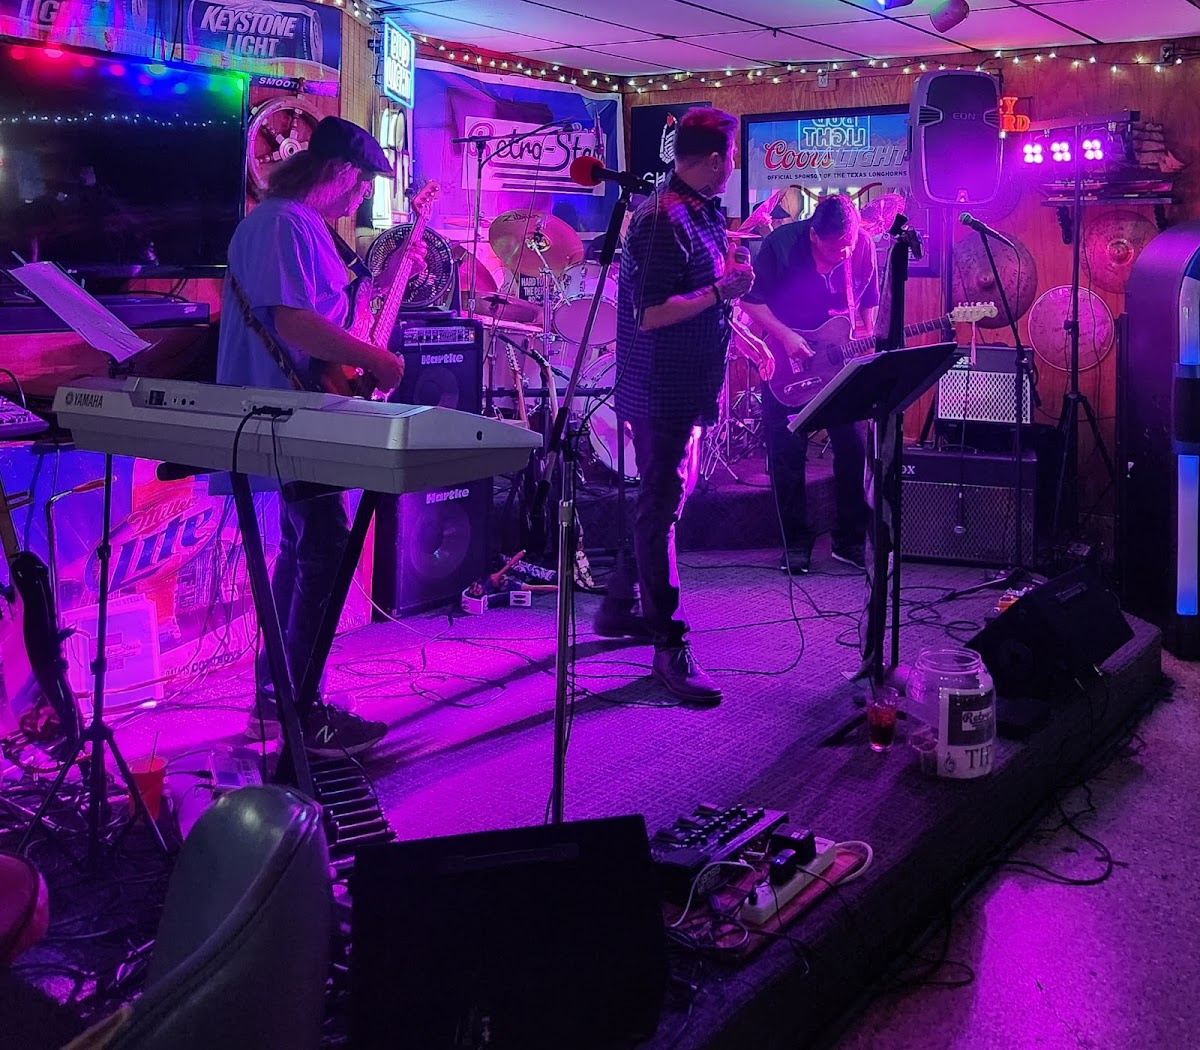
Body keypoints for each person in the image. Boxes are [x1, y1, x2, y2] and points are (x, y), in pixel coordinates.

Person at [217, 115, 422, 757]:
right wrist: (377, 359)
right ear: (338, 172)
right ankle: (300, 711)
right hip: (291, 416)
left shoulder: (297, 225)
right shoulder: (283, 222)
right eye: (361, 186)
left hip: (299, 414)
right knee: (325, 550)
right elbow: (295, 323)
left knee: (305, 549)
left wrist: (386, 284)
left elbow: (325, 313)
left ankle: (278, 701)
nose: (360, 198)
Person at [596, 107, 754, 706]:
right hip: (660, 388)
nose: (734, 165)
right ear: (714, 159)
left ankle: (619, 605)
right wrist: (720, 290)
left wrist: (727, 287)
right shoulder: (662, 219)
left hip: (687, 385)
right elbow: (650, 314)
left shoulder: (701, 211)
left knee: (664, 499)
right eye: (732, 156)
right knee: (662, 505)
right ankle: (669, 643)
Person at [740, 194, 877, 574]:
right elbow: (750, 301)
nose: (844, 253)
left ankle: (849, 541)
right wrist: (785, 336)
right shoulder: (780, 245)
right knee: (787, 453)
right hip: (787, 358)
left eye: (849, 244)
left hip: (839, 363)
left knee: (854, 447)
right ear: (814, 236)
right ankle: (795, 544)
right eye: (835, 248)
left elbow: (868, 299)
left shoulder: (862, 246)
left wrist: (866, 334)